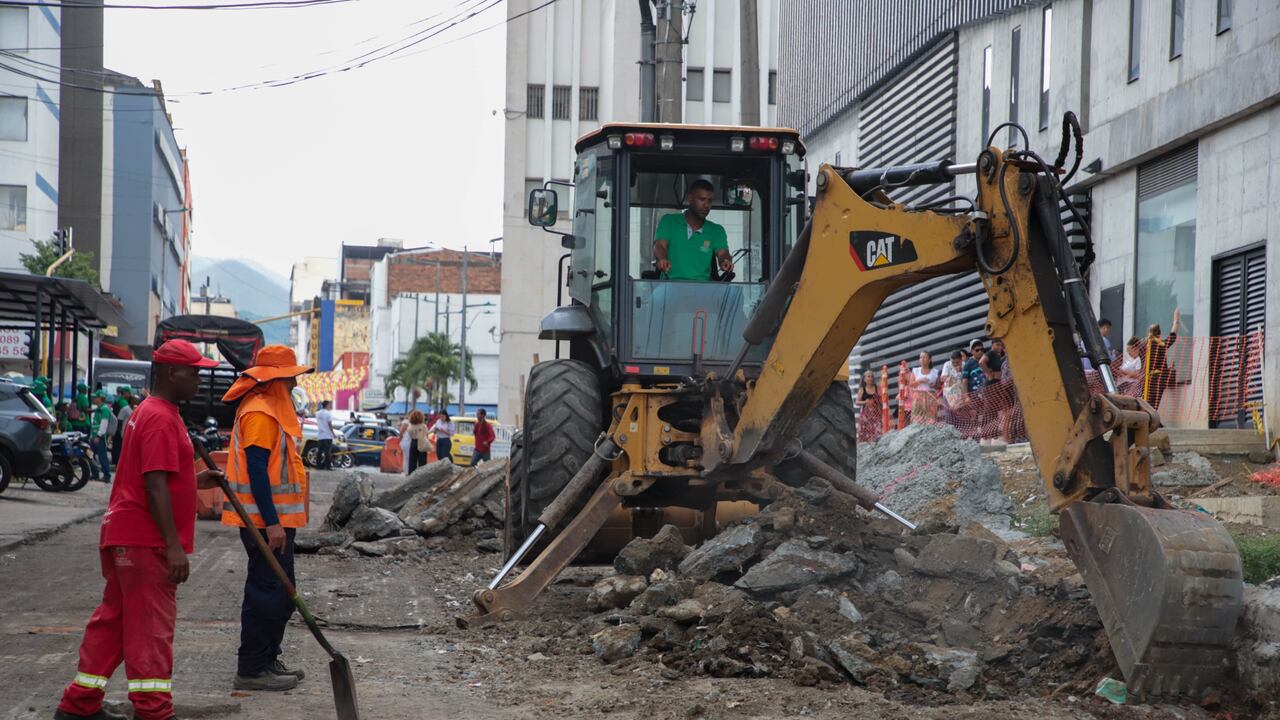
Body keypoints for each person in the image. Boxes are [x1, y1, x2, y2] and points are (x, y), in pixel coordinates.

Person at [54, 339, 223, 720]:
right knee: (150, 628)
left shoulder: (152, 411)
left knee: (114, 624)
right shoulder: (160, 417)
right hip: (146, 542)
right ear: (171, 373)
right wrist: (173, 546)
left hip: (127, 535)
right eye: (194, 373)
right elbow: (154, 484)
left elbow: (157, 477)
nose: (199, 380)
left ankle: (78, 705)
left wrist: (195, 481)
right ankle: (153, 711)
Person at [220, 345, 313, 692]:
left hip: (276, 521)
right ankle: (251, 668)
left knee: (281, 593)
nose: (293, 384)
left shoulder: (271, 410)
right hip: (264, 522)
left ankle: (268, 658)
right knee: (265, 593)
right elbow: (257, 471)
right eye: (289, 378)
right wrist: (272, 523)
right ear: (273, 380)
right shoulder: (259, 413)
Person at [652, 179, 734, 281]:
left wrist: (725, 261)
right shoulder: (669, 221)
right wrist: (662, 258)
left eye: (709, 201)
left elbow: (723, 253)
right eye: (702, 199)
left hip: (704, 287)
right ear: (690, 198)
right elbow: (659, 245)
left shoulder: (717, 230)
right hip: (669, 285)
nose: (706, 205)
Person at [1141, 309, 1180, 410]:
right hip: (1159, 378)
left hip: (1147, 378)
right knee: (1154, 404)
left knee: (1146, 402)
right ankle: (1152, 417)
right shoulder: (1162, 344)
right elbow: (1173, 334)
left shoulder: (1144, 345)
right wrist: (1176, 320)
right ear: (1159, 334)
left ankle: (1147, 416)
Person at [910, 351, 941, 424]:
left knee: (931, 419)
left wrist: (933, 385)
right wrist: (920, 381)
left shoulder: (935, 371)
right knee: (917, 418)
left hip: (931, 396)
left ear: (930, 359)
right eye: (921, 357)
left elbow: (938, 386)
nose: (922, 359)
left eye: (924, 357)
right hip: (918, 396)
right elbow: (911, 384)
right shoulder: (915, 370)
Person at [90, 390, 114, 483]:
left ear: (100, 398)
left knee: (102, 456)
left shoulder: (104, 409)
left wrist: (99, 436)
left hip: (100, 437)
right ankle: (95, 474)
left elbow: (104, 424)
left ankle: (106, 475)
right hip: (95, 436)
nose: (93, 399)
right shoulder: (99, 408)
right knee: (90, 455)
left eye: (95, 397)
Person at [855, 370, 882, 444]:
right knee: (865, 435)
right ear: (864, 379)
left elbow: (882, 399)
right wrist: (865, 402)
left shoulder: (877, 388)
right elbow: (857, 402)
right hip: (866, 416)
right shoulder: (862, 389)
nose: (870, 378)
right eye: (868, 376)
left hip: (876, 415)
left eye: (872, 376)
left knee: (877, 432)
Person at [314, 400, 335, 471]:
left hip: (320, 435)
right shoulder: (328, 414)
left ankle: (318, 466)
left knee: (319, 451)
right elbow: (330, 424)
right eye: (329, 405)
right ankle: (328, 466)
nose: (330, 406)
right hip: (327, 435)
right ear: (327, 405)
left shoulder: (317, 413)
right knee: (327, 452)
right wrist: (333, 433)